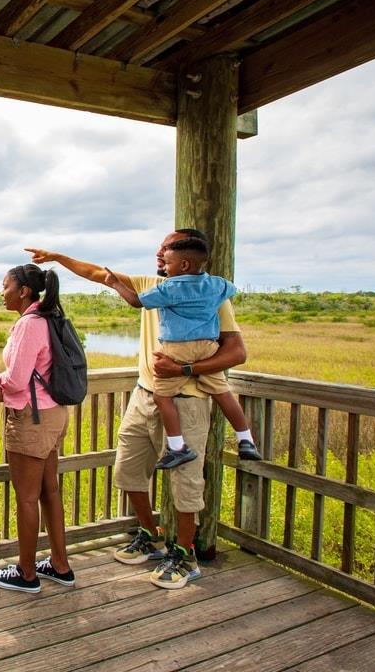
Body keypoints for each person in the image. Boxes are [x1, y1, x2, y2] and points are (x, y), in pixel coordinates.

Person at [26, 229, 247, 590]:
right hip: (145, 395)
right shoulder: (150, 286)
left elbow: (237, 353)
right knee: (128, 469)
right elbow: (98, 273)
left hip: (188, 400)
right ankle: (150, 533)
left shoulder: (210, 296)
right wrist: (56, 257)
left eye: (166, 250)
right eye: (159, 250)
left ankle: (185, 554)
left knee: (186, 482)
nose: (159, 255)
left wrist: (184, 370)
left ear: (184, 257)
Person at [103, 236, 261, 469]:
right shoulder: (217, 284)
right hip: (208, 349)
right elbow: (231, 290)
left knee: (161, 396)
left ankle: (177, 447)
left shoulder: (170, 287)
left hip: (176, 349)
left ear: (184, 265)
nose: (164, 268)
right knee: (222, 393)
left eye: (167, 263)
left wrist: (115, 283)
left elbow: (137, 301)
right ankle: (245, 439)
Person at [0, 264, 75, 593]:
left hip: (30, 418)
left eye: (5, 285)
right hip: (53, 414)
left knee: (26, 499)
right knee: (49, 492)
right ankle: (60, 565)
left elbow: (16, 380)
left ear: (23, 291)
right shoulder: (50, 317)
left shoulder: (29, 324)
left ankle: (26, 573)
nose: (1, 291)